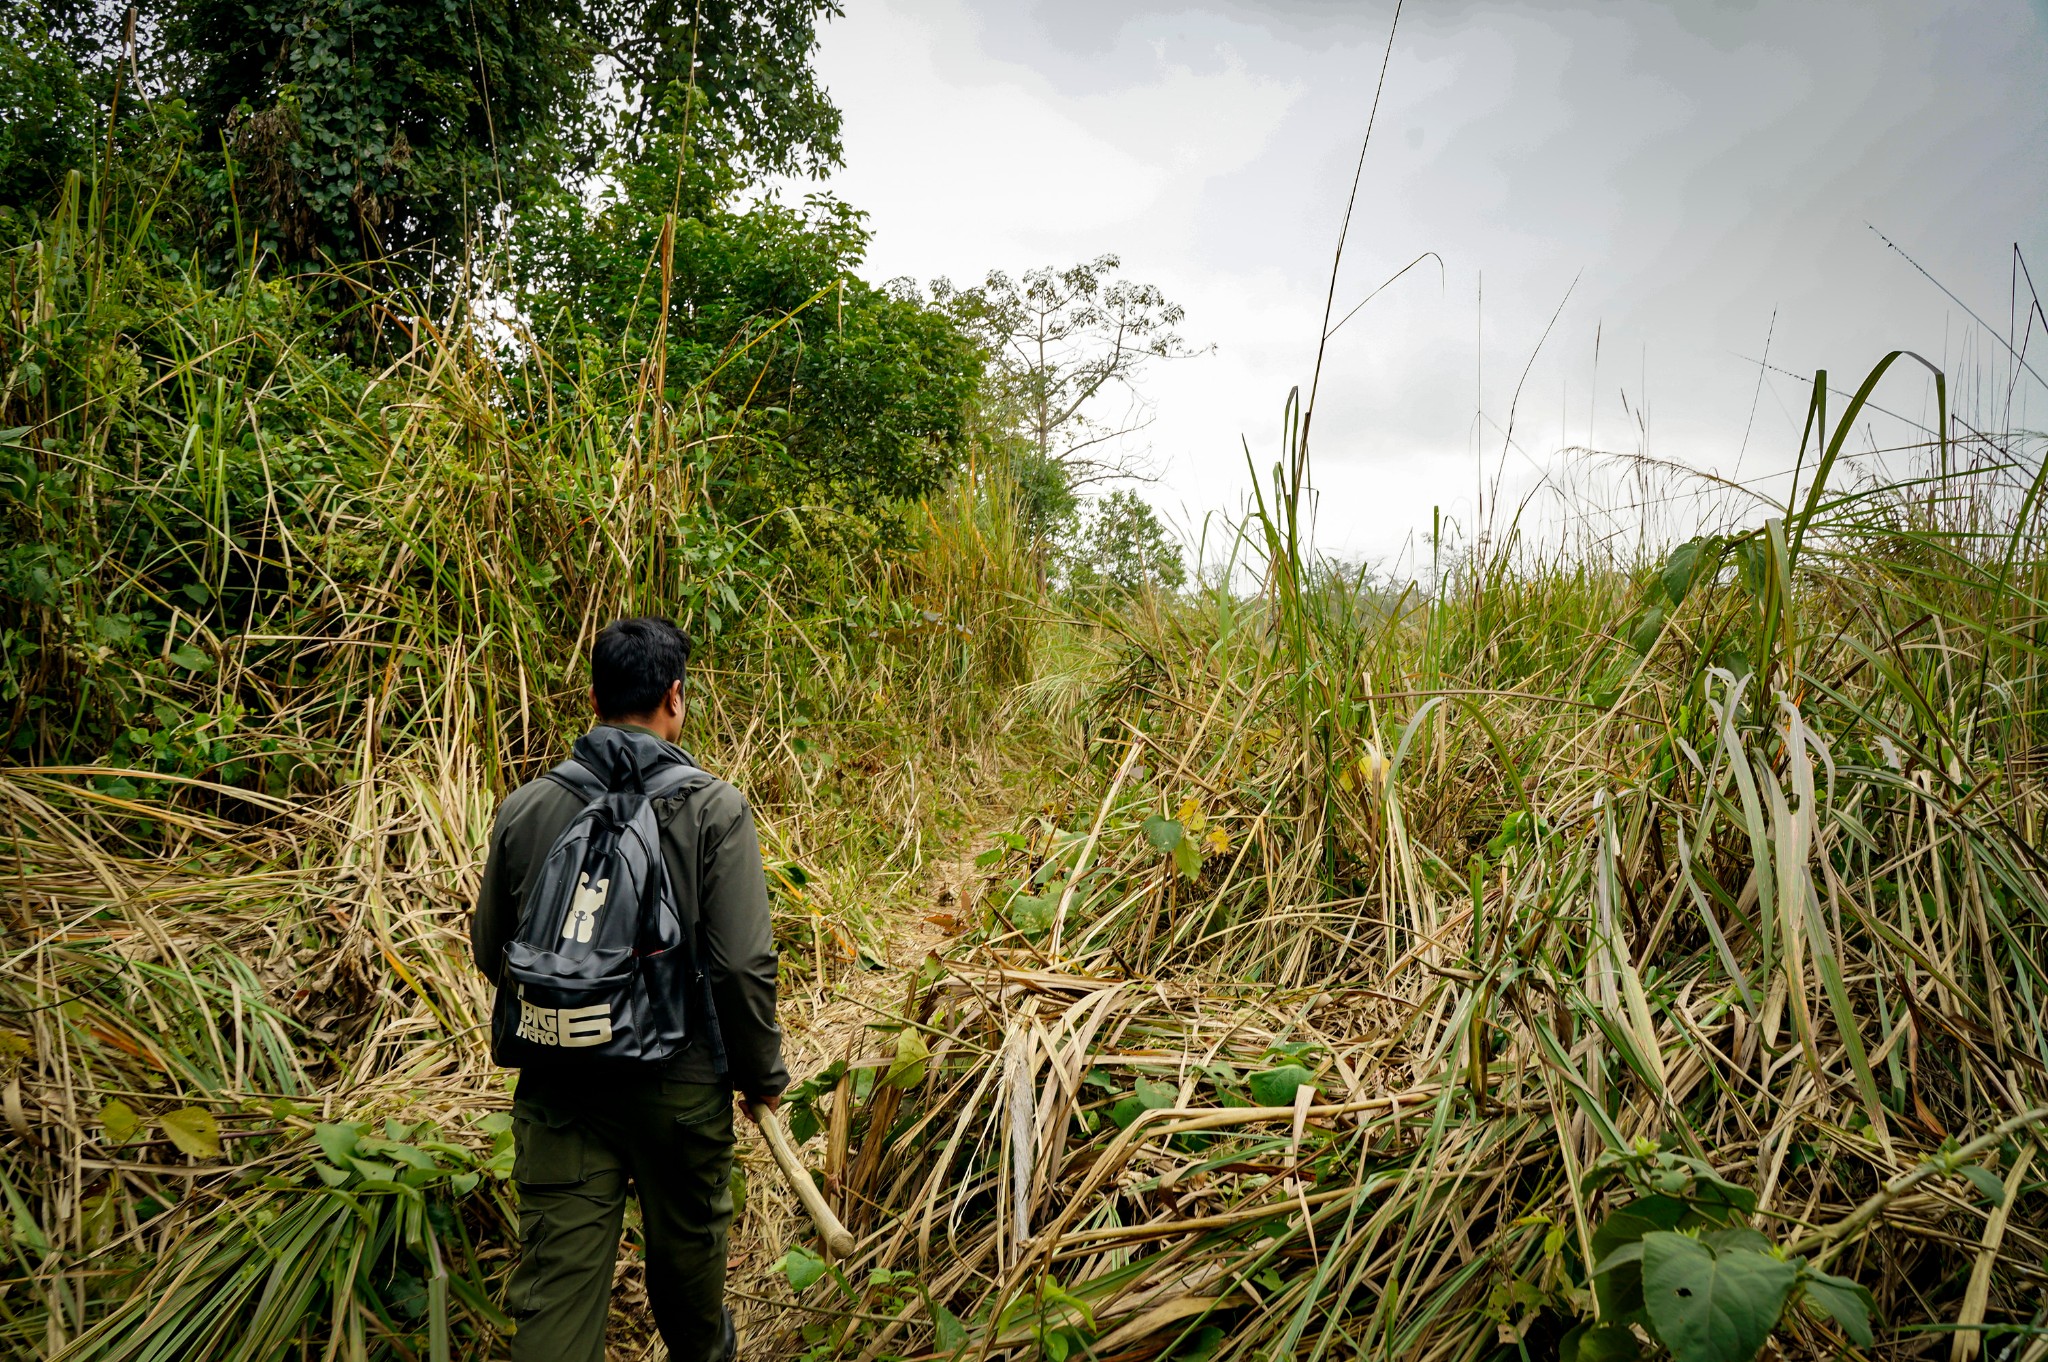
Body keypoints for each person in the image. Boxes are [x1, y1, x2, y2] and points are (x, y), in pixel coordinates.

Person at [473, 616, 787, 1362]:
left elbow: (495, 952)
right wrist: (760, 1076)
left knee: (554, 1294)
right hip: (678, 1087)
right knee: (689, 1284)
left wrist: (573, 1008)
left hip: (560, 1085)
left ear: (593, 697)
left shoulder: (526, 808)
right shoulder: (714, 808)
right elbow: (740, 966)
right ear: (675, 697)